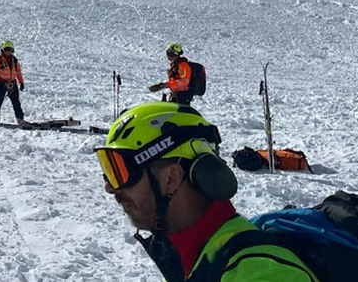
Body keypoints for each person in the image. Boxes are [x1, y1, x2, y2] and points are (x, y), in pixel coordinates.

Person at [95, 102, 318, 282]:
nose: (110, 187)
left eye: (121, 171)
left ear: (171, 178)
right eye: (108, 170)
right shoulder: (189, 254)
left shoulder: (260, 273)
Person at [0, 41, 25, 124]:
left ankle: (20, 119)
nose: (8, 51)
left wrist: (21, 82)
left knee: (16, 102)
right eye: (6, 49)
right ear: (2, 50)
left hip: (12, 83)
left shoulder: (14, 60)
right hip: (1, 83)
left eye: (10, 49)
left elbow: (18, 72)